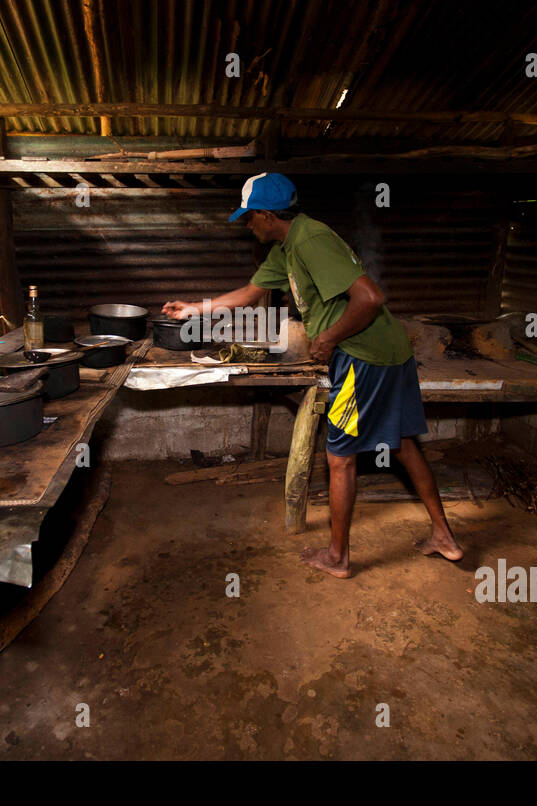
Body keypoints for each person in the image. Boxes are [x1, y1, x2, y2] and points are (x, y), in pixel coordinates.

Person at [163, 172, 462, 579]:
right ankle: (444, 537)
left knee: (339, 458)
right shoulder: (286, 247)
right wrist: (195, 309)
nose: (247, 225)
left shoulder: (310, 240)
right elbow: (250, 294)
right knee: (404, 443)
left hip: (363, 356)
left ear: (268, 215)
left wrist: (329, 338)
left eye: (249, 218)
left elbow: (371, 298)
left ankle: (338, 558)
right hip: (391, 351)